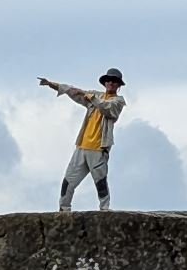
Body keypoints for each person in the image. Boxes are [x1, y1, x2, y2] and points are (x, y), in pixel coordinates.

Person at [40, 69, 126, 212]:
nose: (110, 83)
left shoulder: (118, 101)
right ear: (105, 82)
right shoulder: (95, 95)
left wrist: (92, 98)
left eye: (114, 81)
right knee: (69, 180)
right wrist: (52, 84)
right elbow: (75, 92)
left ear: (118, 85)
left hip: (99, 148)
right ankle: (64, 208)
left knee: (100, 181)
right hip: (82, 146)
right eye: (108, 80)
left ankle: (104, 209)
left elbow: (107, 108)